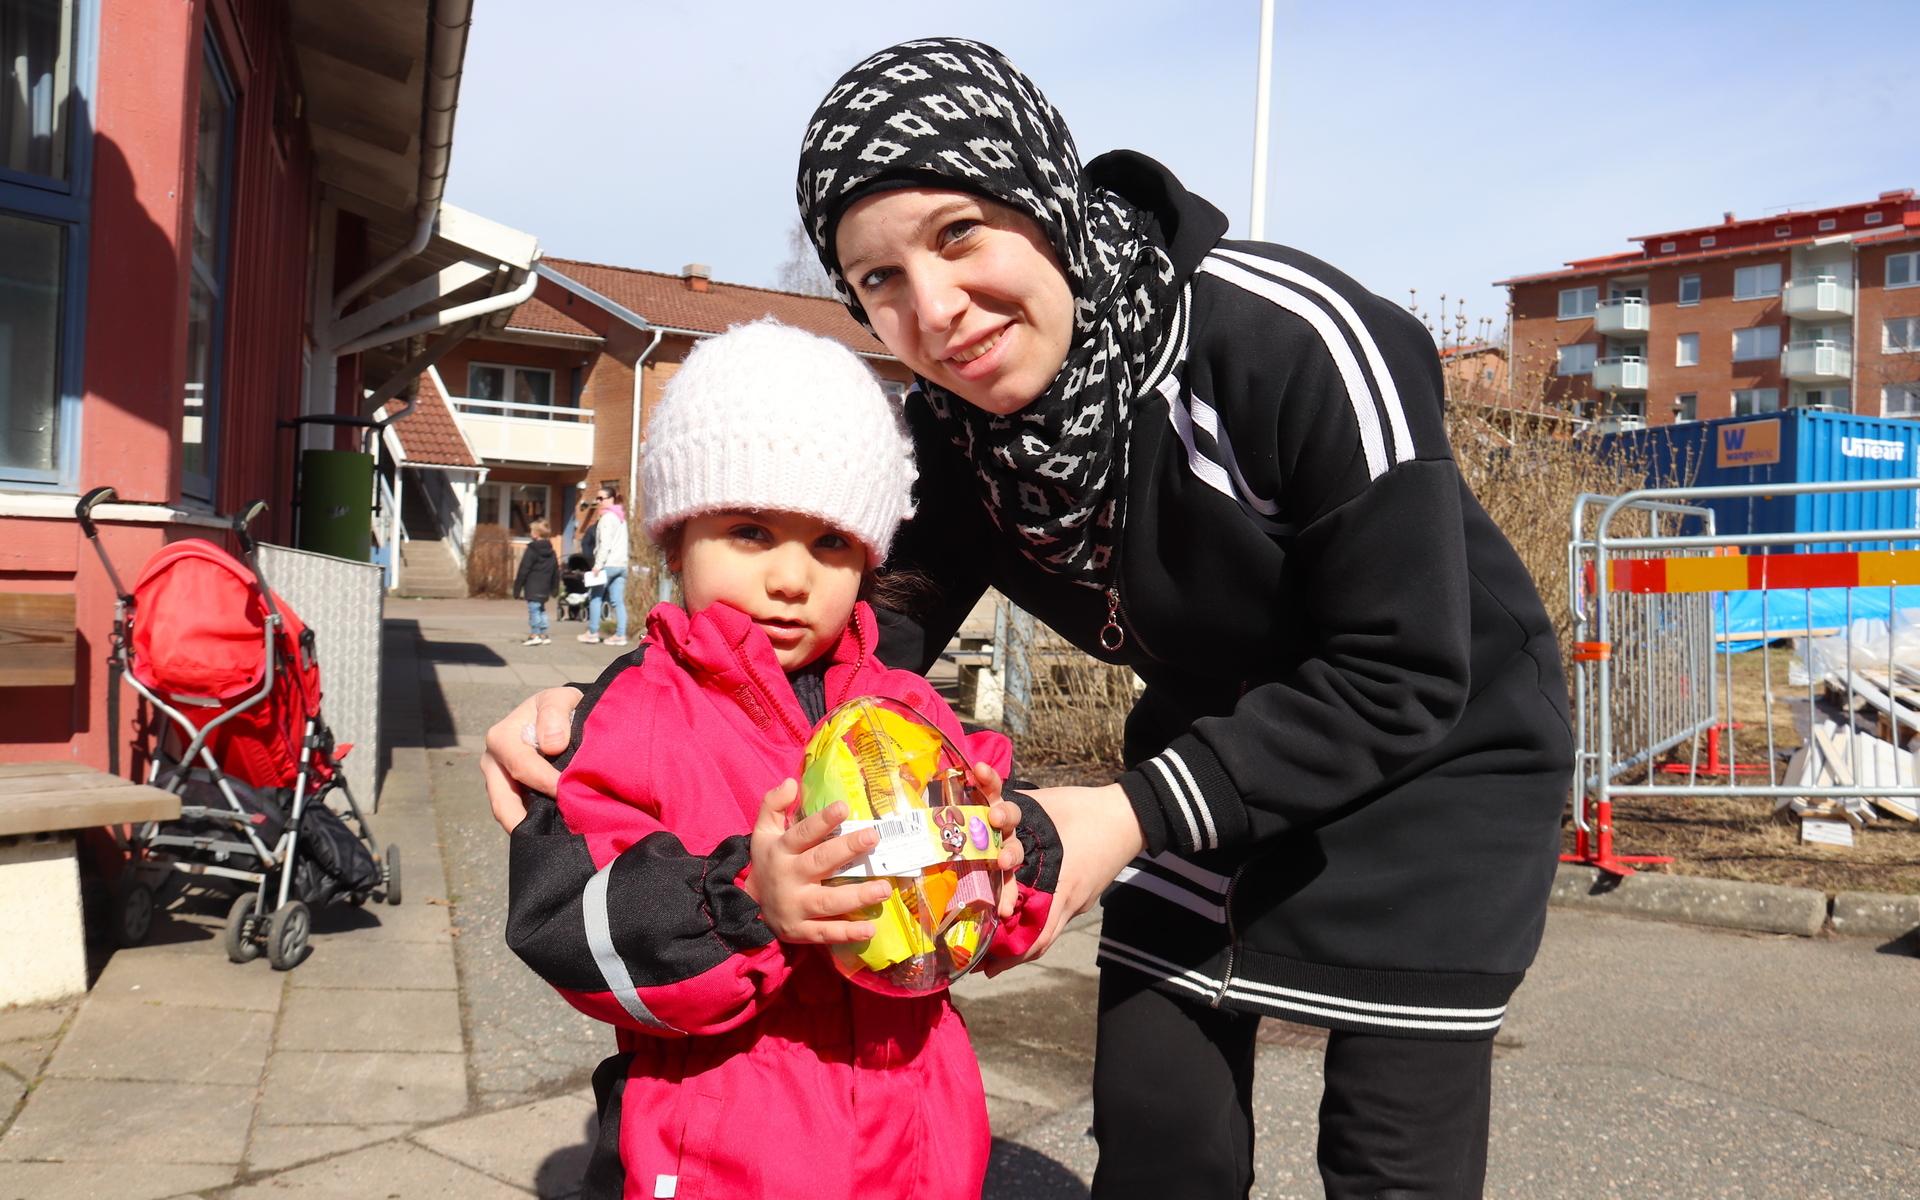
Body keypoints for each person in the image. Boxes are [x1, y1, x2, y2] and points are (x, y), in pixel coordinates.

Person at [489, 37, 1572, 1200]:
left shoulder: (1291, 343)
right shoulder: (961, 438)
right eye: (878, 282)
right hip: (1214, 750)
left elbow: (1403, 669)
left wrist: (1117, 815)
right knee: (1162, 1126)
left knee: (1390, 1150)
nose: (936, 310)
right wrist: (611, 711)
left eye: (960, 235)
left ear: (1044, 198)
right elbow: (841, 640)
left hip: (1440, 754)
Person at [504, 318, 1059, 1200]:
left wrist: (1007, 860)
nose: (793, 578)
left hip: (918, 1144)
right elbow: (571, 928)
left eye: (831, 542)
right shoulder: (632, 716)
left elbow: (997, 906)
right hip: (727, 1155)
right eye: (752, 531)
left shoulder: (906, 707)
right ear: (677, 539)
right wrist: (743, 903)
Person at [578, 483, 631, 646]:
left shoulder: (607, 518)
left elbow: (604, 544)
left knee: (595, 597)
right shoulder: (621, 518)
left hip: (608, 564)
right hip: (621, 565)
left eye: (602, 498)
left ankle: (592, 633)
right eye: (598, 498)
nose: (599, 501)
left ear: (612, 499)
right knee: (617, 601)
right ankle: (620, 635)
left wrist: (597, 565)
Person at [512, 519, 558, 646]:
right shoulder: (551, 552)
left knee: (534, 611)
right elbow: (555, 571)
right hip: (545, 587)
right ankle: (544, 634)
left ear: (535, 534)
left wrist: (517, 588)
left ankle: (534, 634)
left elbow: (524, 569)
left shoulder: (532, 549)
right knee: (541, 610)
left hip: (533, 586)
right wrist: (555, 588)